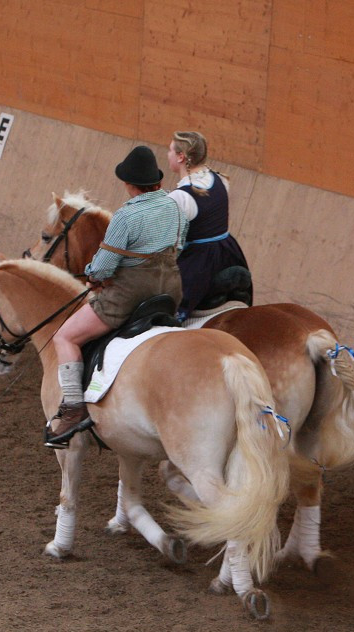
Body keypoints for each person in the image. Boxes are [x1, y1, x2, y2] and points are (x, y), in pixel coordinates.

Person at [45, 145, 185, 448]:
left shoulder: (126, 216)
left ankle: (72, 408)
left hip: (129, 295)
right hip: (170, 290)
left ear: (129, 183)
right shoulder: (175, 206)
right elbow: (180, 245)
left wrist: (93, 275)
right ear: (156, 181)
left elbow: (105, 266)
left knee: (65, 337)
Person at [166, 131, 253, 321]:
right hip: (229, 253)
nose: (168, 154)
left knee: (163, 309)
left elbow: (169, 243)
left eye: (170, 150)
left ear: (181, 157)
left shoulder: (179, 197)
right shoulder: (220, 180)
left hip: (199, 262)